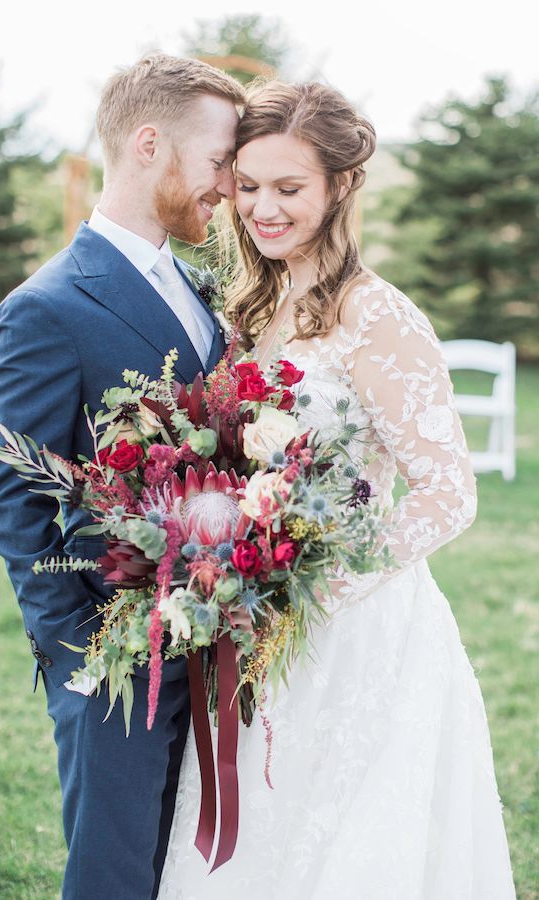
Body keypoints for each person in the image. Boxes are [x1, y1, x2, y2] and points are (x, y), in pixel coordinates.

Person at [157, 81, 516, 899]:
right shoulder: (254, 307)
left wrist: (312, 588)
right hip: (255, 623)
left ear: (341, 187)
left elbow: (447, 494)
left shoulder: (379, 318)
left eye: (289, 189)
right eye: (248, 186)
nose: (261, 208)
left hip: (355, 631)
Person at [0, 54, 245, 900]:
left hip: (214, 639)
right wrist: (80, 650)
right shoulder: (46, 307)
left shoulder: (197, 288)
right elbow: (12, 504)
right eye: (218, 163)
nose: (228, 189)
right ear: (148, 143)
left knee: (185, 867)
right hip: (117, 658)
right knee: (116, 874)